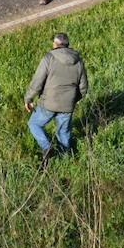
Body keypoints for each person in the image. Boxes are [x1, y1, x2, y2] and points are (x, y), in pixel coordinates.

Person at [24, 33, 89, 164]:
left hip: (48, 103)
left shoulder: (49, 58)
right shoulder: (78, 61)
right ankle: (66, 160)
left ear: (55, 44)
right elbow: (83, 88)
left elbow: (37, 82)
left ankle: (47, 147)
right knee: (64, 132)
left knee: (34, 124)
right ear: (67, 45)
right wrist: (72, 100)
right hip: (67, 105)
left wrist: (28, 99)